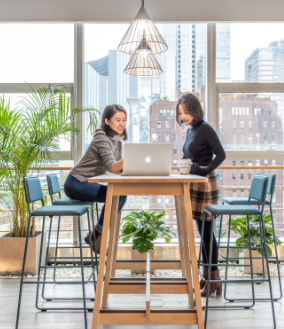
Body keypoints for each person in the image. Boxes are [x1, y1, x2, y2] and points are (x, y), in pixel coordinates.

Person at [176, 93, 226, 296]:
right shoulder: (191, 130)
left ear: (195, 110)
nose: (183, 116)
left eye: (186, 112)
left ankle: (214, 278)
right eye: (180, 113)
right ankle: (208, 277)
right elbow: (189, 155)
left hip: (205, 185)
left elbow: (221, 154)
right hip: (194, 184)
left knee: (206, 233)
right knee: (203, 232)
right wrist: (181, 165)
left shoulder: (205, 129)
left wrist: (204, 170)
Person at [64, 104, 127, 253]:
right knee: (115, 195)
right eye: (117, 119)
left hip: (84, 182)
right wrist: (132, 157)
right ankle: (97, 235)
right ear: (107, 121)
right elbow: (112, 166)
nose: (122, 123)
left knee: (122, 195)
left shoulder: (116, 141)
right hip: (75, 182)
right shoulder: (102, 139)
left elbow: (118, 168)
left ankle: (96, 234)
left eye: (124, 120)